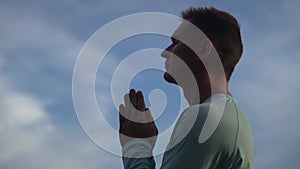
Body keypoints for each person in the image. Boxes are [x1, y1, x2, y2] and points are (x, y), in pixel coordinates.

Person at [119, 7, 253, 169]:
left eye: (176, 42)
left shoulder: (205, 119)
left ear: (203, 49)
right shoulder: (231, 117)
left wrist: (136, 145)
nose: (164, 52)